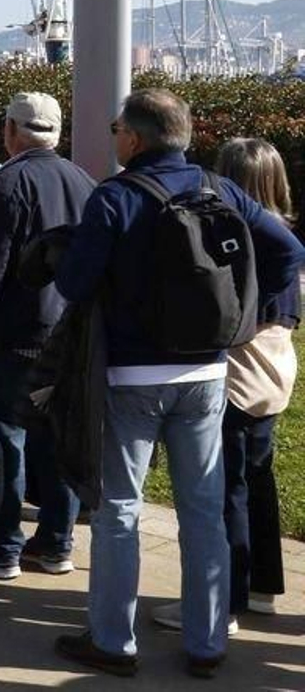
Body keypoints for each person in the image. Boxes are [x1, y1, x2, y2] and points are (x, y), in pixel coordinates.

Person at [52, 89, 305, 679]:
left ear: (133, 140)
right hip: (209, 372)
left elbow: (73, 284)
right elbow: (288, 249)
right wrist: (250, 311)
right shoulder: (222, 190)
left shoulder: (115, 198)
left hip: (132, 375)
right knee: (203, 508)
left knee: (119, 508)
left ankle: (113, 641)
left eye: (117, 127)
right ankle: (207, 641)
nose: (114, 135)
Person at [0, 92, 94, 580]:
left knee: (7, 438)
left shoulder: (8, 184)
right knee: (57, 439)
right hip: (68, 332)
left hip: (17, 336)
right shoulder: (83, 181)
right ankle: (56, 541)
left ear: (11, 130)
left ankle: (4, 544)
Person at [153, 137, 297, 626]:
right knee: (256, 479)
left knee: (223, 487)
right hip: (273, 375)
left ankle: (224, 600)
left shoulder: (239, 238)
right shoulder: (282, 238)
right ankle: (261, 587)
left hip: (237, 375)